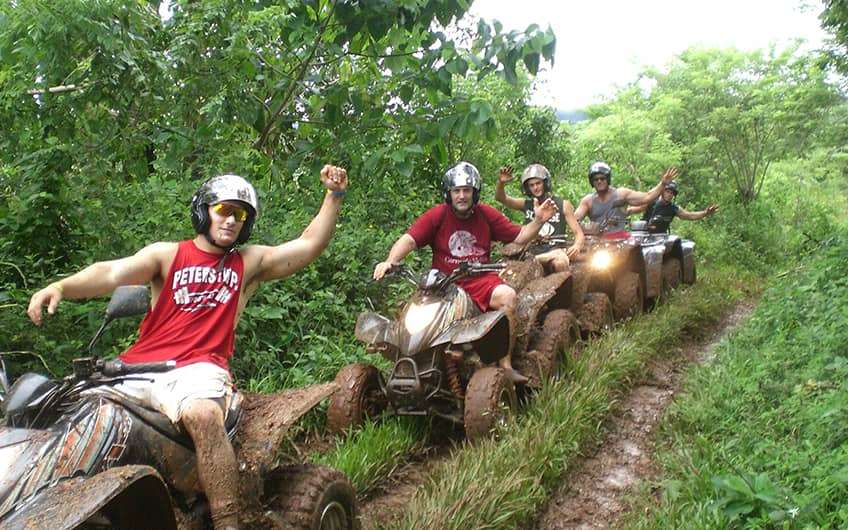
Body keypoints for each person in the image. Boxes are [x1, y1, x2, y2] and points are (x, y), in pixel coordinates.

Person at [27, 166, 349, 530]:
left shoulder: (248, 263)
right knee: (60, 405)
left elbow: (308, 245)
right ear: (204, 211)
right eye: (223, 210)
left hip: (198, 370)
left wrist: (333, 197)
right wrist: (61, 287)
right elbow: (111, 272)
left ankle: (228, 521)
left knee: (203, 415)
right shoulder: (166, 256)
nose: (231, 220)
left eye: (240, 214)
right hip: (136, 369)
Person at [372, 161, 557, 384]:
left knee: (507, 296)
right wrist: (390, 261)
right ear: (448, 193)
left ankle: (505, 365)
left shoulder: (486, 214)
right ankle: (409, 363)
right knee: (410, 312)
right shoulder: (438, 215)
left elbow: (520, 237)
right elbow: (409, 240)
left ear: (474, 192)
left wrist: (538, 220)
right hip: (443, 284)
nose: (461, 195)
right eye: (456, 190)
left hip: (480, 279)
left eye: (466, 190)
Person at [494, 163, 584, 272]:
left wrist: (577, 245)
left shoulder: (563, 205)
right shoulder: (526, 204)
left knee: (560, 263)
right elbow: (500, 198)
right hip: (531, 252)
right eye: (531, 185)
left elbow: (578, 233)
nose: (535, 188)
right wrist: (501, 183)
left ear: (545, 183)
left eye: (538, 183)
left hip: (555, 251)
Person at [573, 161, 679, 236]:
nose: (599, 181)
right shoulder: (588, 201)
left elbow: (647, 197)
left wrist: (663, 184)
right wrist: (582, 229)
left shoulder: (621, 194)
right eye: (596, 179)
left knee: (635, 257)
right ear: (592, 182)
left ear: (608, 179)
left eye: (602, 178)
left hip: (619, 239)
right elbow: (573, 220)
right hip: (596, 242)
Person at [626, 181, 719, 233]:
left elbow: (690, 215)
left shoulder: (673, 208)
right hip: (644, 235)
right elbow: (632, 210)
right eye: (668, 191)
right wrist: (619, 213)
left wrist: (705, 213)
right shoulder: (651, 202)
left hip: (661, 238)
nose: (670, 195)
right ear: (662, 191)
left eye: (672, 193)